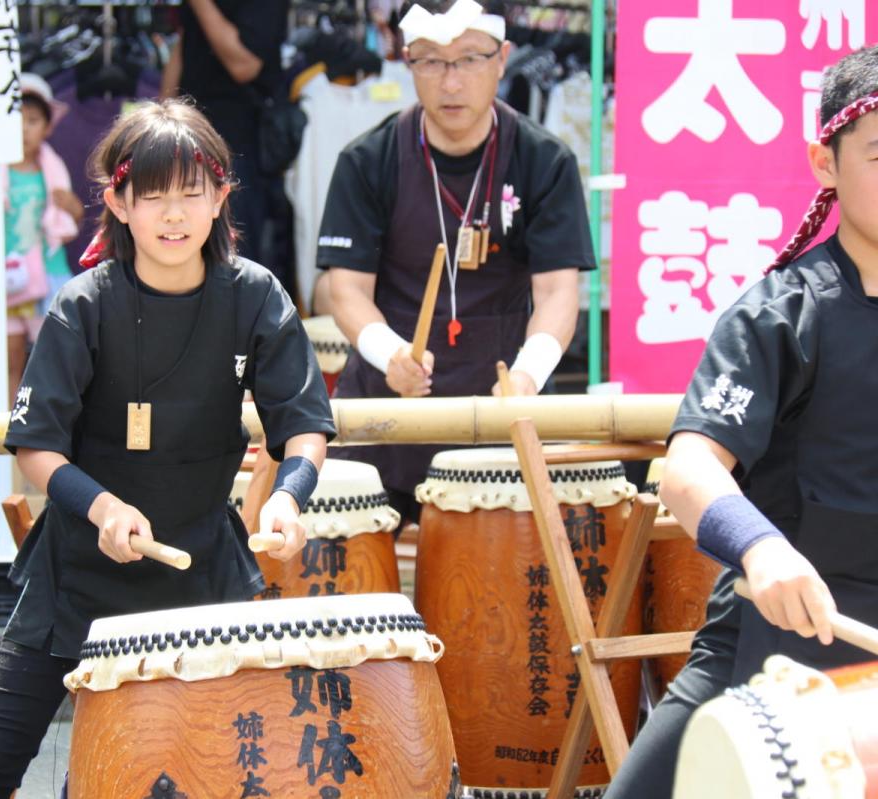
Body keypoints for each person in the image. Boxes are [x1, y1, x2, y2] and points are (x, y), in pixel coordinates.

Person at [0, 99, 336, 798]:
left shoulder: (254, 296)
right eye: (154, 195)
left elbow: (303, 422)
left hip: (201, 575)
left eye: (192, 192)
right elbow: (36, 445)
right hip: (78, 575)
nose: (175, 214)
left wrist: (287, 495)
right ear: (119, 202)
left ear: (220, 197)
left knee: (171, 774)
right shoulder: (82, 305)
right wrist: (100, 508)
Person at [605, 45, 878, 797]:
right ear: (825, 161)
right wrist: (761, 549)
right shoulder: (784, 314)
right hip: (779, 638)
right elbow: (688, 469)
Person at [316, 0, 593, 521]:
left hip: (502, 406)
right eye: (431, 61)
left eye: (469, 59)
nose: (450, 82)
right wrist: (391, 355)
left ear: (503, 57)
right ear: (406, 61)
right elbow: (346, 288)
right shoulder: (366, 160)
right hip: (391, 404)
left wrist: (528, 377)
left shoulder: (544, 161)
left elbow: (557, 291)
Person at [0, 73, 85, 410]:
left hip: (48, 276)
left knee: (50, 359)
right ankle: (10, 429)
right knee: (8, 360)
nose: (24, 129)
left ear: (47, 128)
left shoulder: (52, 170)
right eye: (16, 121)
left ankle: (48, 426)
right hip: (5, 280)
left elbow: (75, 216)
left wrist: (69, 204)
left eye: (32, 121)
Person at [161, 0, 291, 275]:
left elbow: (244, 64)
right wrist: (161, 118)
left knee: (235, 253)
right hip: (190, 134)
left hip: (239, 142)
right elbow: (186, 45)